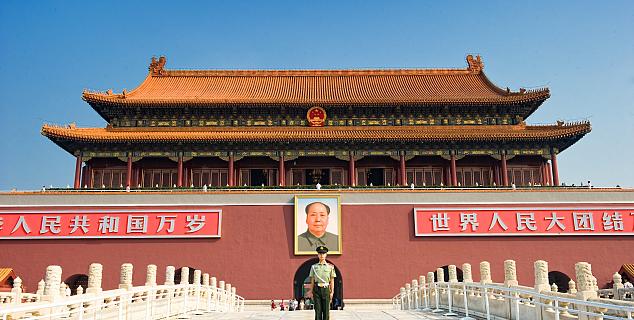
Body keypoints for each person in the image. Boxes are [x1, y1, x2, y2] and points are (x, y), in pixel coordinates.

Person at [310, 246, 336, 320]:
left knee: (326, 310)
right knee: (317, 310)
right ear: (318, 255)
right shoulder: (313, 267)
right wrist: (311, 292)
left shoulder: (330, 267)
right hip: (317, 289)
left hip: (326, 289)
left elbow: (332, 280)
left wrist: (332, 292)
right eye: (320, 253)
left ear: (326, 255)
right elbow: (312, 280)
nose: (321, 255)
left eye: (323, 253)